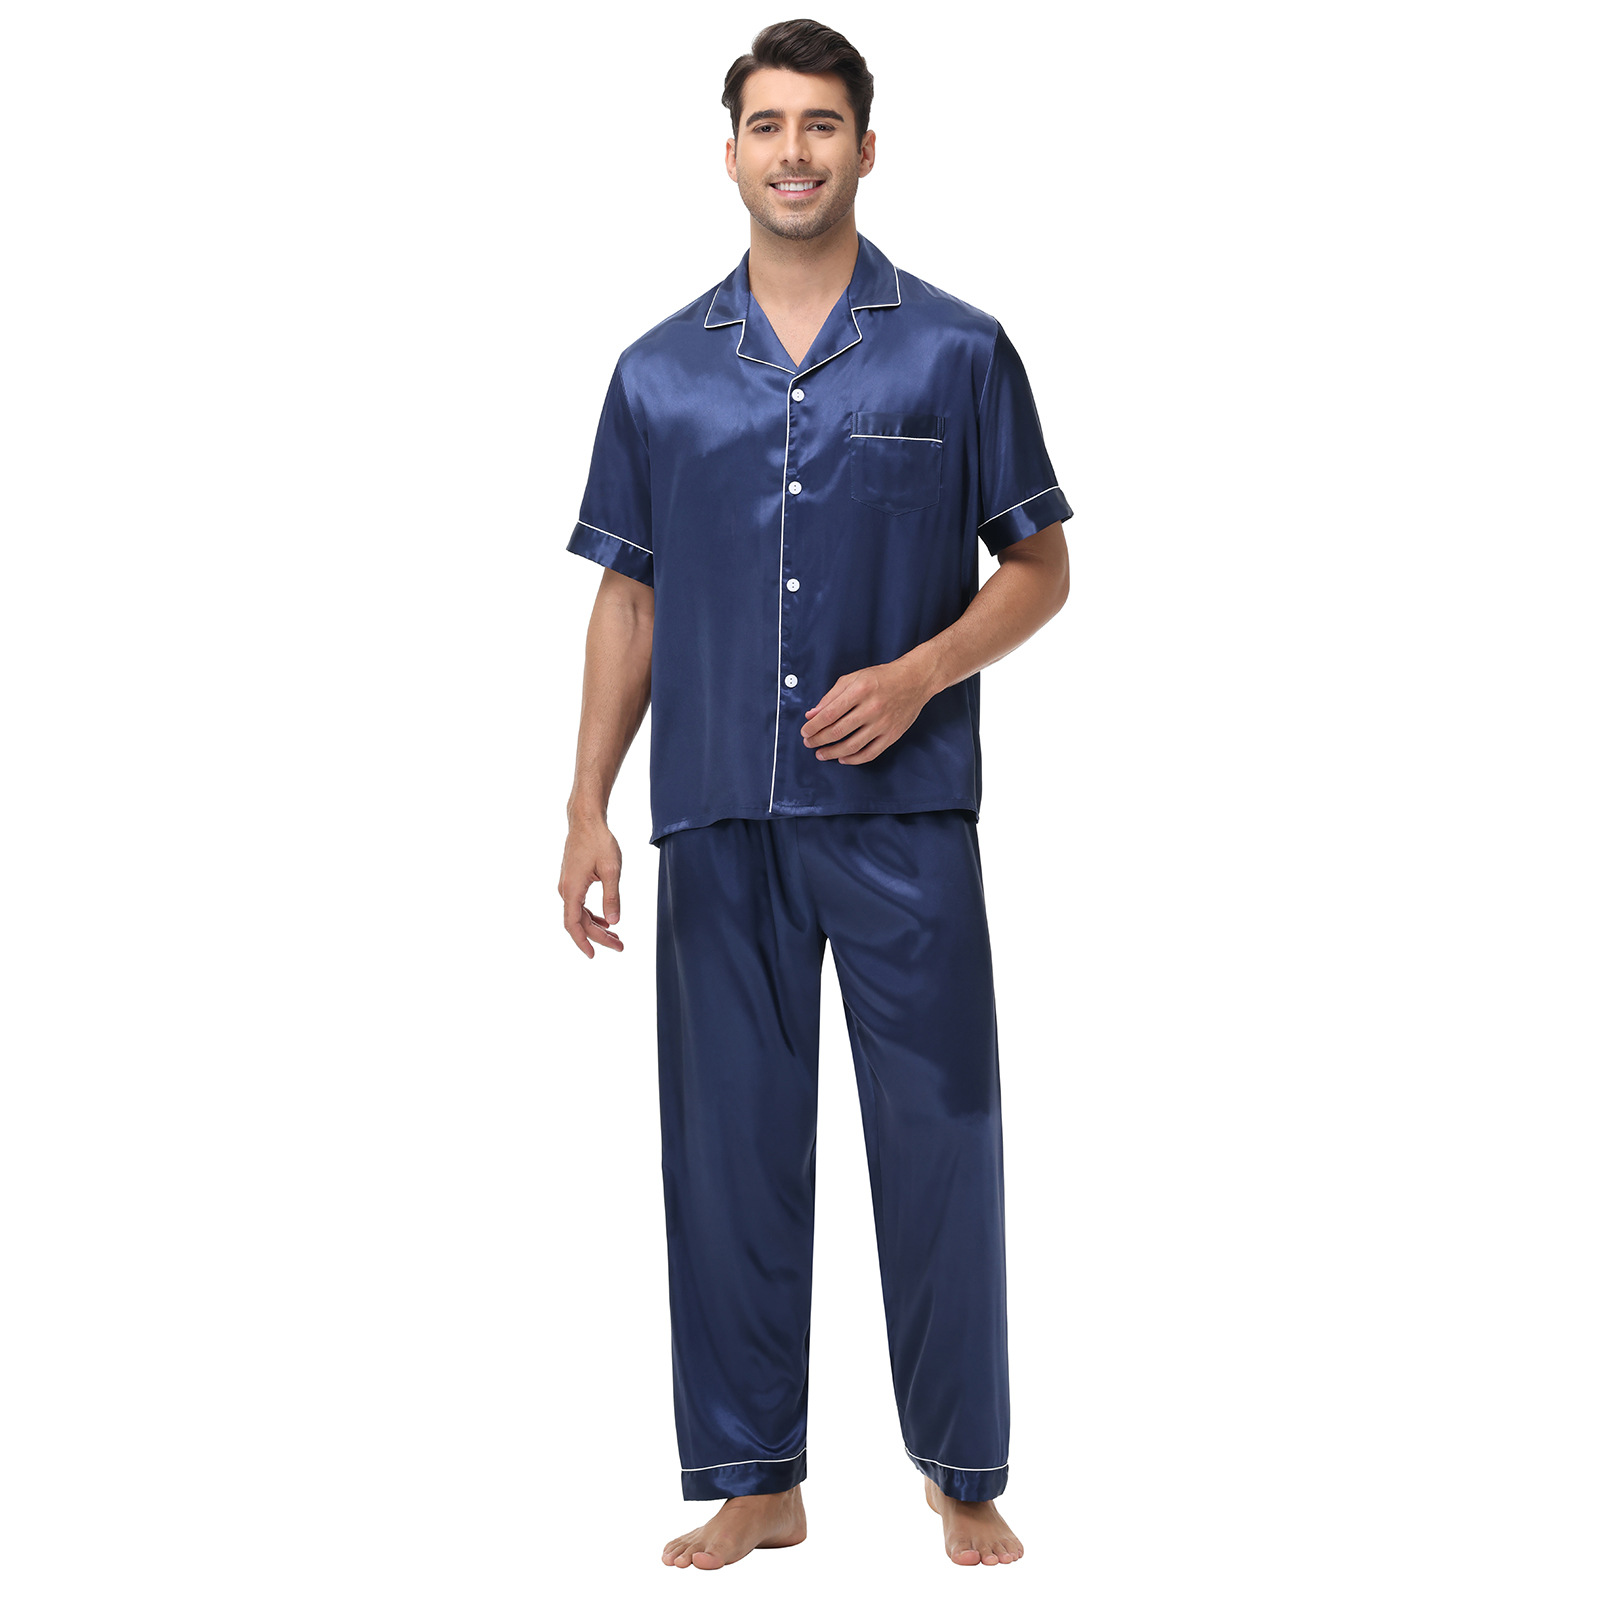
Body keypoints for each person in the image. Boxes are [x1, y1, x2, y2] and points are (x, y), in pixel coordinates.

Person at [558, 18, 1071, 1570]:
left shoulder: (959, 350)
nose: (795, 151)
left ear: (866, 147)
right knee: (725, 1153)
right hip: (717, 809)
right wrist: (585, 805)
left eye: (822, 124)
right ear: (731, 153)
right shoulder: (656, 373)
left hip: (905, 818)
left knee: (944, 1139)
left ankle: (961, 1471)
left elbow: (1040, 567)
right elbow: (629, 600)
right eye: (770, 125)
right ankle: (754, 1478)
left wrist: (921, 673)